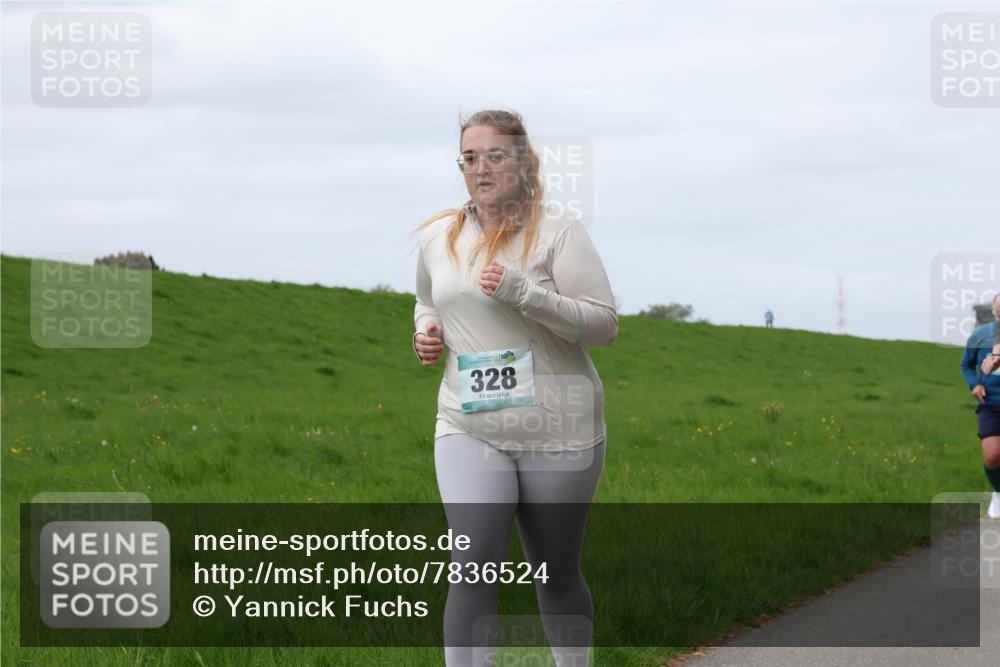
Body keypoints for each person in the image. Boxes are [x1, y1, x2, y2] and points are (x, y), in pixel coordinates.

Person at [410, 109, 618, 667]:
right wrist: (426, 332)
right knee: (473, 566)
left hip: (559, 430)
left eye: (494, 156)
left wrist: (528, 294)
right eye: (469, 158)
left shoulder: (559, 234)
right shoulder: (438, 237)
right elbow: (428, 299)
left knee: (554, 573)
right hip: (468, 424)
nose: (479, 169)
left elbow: (604, 325)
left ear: (523, 162)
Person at [961, 292, 1000, 519]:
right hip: (991, 404)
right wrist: (974, 385)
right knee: (992, 456)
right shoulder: (979, 336)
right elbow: (966, 366)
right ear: (994, 312)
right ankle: (998, 492)